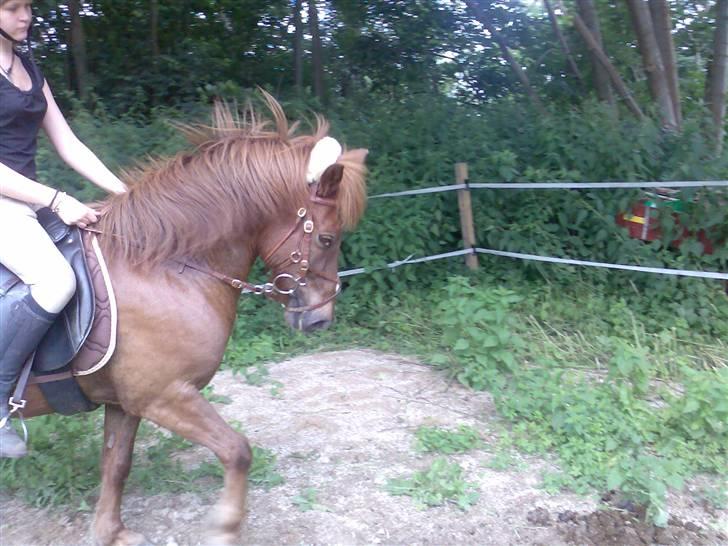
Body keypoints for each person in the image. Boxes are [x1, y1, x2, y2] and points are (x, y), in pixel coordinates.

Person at [0, 0, 127, 458]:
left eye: (28, 6)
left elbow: (68, 142)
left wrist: (127, 192)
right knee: (55, 280)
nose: (26, 15)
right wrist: (57, 199)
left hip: (29, 200)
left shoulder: (28, 66)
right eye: (12, 7)